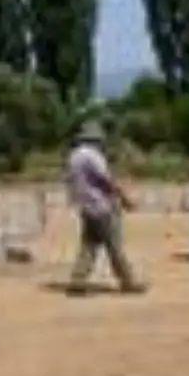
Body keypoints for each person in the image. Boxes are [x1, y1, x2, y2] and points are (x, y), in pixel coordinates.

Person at [66, 121, 146, 296]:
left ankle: (77, 280)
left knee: (89, 244)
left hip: (86, 205)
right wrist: (124, 198)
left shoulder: (74, 156)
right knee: (114, 245)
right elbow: (106, 180)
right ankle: (128, 281)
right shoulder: (93, 156)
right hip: (101, 205)